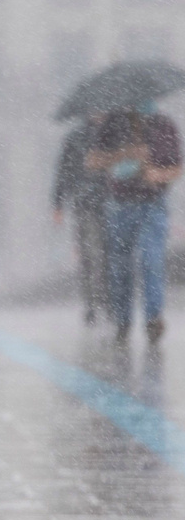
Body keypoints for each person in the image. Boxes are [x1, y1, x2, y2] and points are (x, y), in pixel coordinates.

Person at [87, 102, 182, 342]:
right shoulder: (113, 122)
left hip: (153, 203)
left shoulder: (164, 125)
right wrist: (125, 154)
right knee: (120, 267)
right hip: (120, 205)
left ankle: (153, 318)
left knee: (151, 260)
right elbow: (93, 160)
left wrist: (158, 174)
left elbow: (177, 166)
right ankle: (122, 319)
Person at [53, 113, 111, 325]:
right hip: (84, 203)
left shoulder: (114, 133)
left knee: (108, 255)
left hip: (111, 201)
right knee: (89, 255)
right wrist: (58, 202)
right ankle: (91, 304)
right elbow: (63, 171)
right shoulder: (75, 138)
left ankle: (107, 300)